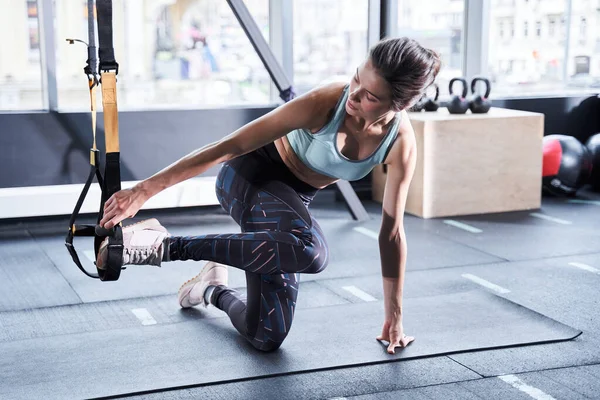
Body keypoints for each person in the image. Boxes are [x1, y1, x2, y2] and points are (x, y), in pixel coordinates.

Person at [97, 37, 441, 354]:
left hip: (290, 205)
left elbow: (392, 231)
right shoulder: (325, 103)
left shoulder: (399, 144)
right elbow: (228, 147)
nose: (353, 95)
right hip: (248, 176)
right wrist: (143, 191)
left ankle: (210, 288)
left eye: (370, 96)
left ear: (400, 105)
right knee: (311, 252)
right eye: (356, 80)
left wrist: (394, 316)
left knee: (265, 336)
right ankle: (165, 245)